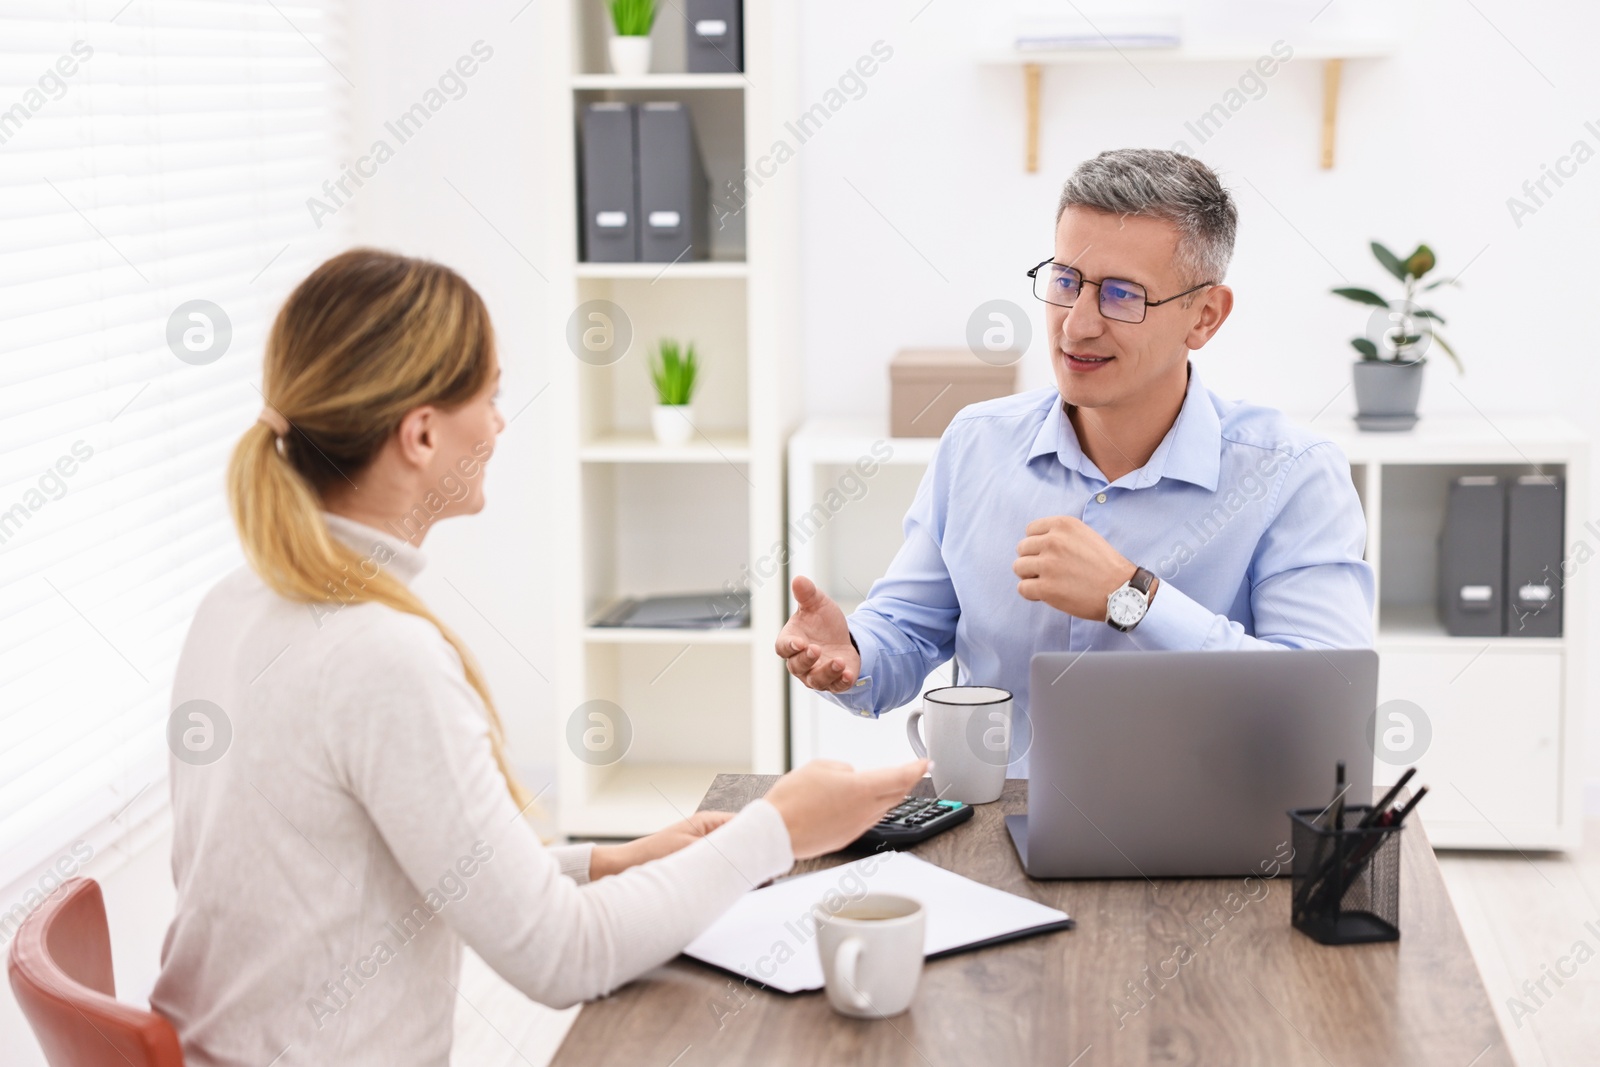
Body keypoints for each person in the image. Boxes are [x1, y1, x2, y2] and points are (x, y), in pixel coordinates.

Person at [150, 249, 926, 1067]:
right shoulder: (379, 655)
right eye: (486, 396)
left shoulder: (235, 604)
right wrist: (780, 826)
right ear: (419, 434)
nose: (498, 423)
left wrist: (605, 860)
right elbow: (564, 957)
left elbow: (396, 856)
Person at [777, 148, 1375, 769]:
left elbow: (1324, 702)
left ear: (1204, 317)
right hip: (990, 828)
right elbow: (907, 629)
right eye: (1066, 282)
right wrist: (851, 652)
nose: (1076, 325)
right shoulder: (977, 444)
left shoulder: (1291, 475)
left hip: (1202, 840)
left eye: (1122, 295)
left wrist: (1132, 598)